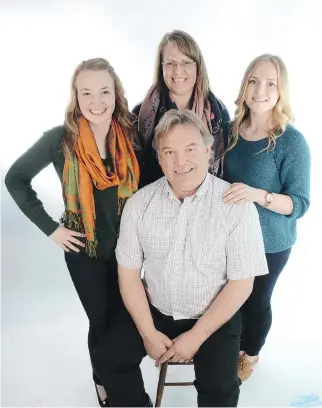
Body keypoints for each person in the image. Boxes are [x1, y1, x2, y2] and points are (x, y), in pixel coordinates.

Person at [93, 109, 269, 407]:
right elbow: (128, 275)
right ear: (159, 158)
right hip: (157, 310)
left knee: (220, 388)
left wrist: (196, 336)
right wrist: (148, 333)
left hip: (213, 316)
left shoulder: (236, 206)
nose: (180, 161)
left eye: (189, 149)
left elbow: (241, 284)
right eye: (169, 152)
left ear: (207, 150)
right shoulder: (140, 204)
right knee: (107, 359)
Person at [5, 58, 140, 406]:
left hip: (128, 249)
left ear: (116, 94)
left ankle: (119, 372)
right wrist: (51, 229)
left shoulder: (130, 136)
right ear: (76, 96)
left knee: (124, 317)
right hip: (84, 251)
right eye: (87, 92)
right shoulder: (60, 140)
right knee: (101, 320)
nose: (97, 101)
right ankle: (103, 380)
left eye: (105, 91)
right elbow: (15, 179)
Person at [222, 54, 310, 381]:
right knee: (231, 297)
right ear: (245, 85)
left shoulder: (291, 142)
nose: (260, 89)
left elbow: (299, 204)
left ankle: (251, 354)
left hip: (271, 242)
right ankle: (230, 346)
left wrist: (258, 195)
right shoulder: (231, 132)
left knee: (256, 301)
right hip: (231, 236)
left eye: (270, 83)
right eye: (254, 81)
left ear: (280, 91)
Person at [133, 29, 230, 187]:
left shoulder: (218, 112)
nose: (178, 70)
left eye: (185, 63)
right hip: (155, 203)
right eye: (170, 63)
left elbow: (227, 170)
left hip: (206, 204)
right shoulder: (140, 115)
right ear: (161, 68)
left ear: (197, 67)